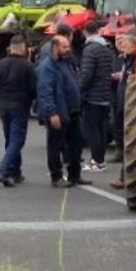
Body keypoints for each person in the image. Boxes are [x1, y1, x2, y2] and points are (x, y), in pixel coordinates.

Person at [37, 35, 91, 188]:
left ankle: (75, 175)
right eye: (64, 47)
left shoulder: (68, 63)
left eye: (68, 46)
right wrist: (52, 113)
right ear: (55, 47)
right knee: (55, 146)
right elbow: (45, 91)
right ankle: (56, 176)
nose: (68, 50)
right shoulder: (47, 67)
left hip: (73, 112)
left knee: (76, 144)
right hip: (58, 113)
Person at [0, 35, 35, 187]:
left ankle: (16, 171)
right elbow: (34, 89)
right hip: (20, 106)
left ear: (10, 47)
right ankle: (4, 170)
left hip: (3, 106)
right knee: (17, 140)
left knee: (10, 139)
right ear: (23, 48)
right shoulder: (27, 67)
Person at [78, 21, 115, 172]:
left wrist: (79, 90)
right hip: (105, 94)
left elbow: (86, 74)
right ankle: (100, 160)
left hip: (92, 96)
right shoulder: (106, 48)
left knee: (92, 130)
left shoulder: (90, 49)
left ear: (85, 32)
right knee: (101, 129)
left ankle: (96, 161)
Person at [108, 34, 136, 189]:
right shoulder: (126, 60)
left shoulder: (135, 62)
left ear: (134, 46)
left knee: (131, 143)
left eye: (125, 46)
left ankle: (126, 177)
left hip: (131, 108)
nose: (122, 49)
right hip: (123, 106)